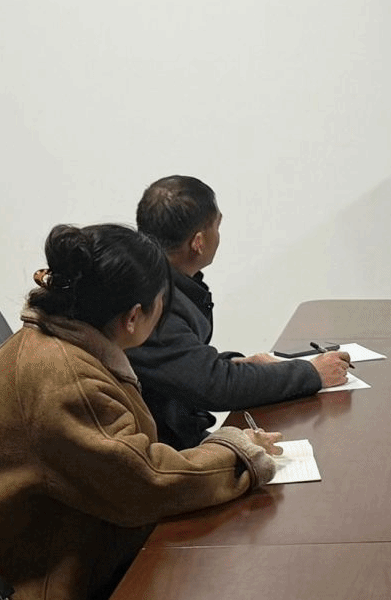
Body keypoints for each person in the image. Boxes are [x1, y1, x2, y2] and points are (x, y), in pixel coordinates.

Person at [0, 223, 283, 600]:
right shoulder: (66, 379)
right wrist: (239, 451)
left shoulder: (58, 341)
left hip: (41, 569)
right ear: (133, 318)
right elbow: (146, 483)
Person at [127, 175, 349, 450]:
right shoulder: (153, 301)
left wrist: (234, 363)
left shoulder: (157, 281)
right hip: (167, 452)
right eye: (217, 226)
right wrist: (312, 373)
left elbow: (180, 363)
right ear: (198, 242)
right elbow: (215, 387)